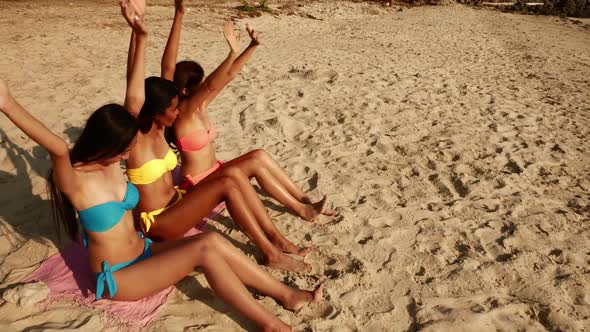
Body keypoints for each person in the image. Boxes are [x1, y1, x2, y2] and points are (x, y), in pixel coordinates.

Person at [0, 5, 322, 332]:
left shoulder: (114, 167)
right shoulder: (76, 180)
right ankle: (270, 324)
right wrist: (7, 103)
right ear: (108, 143)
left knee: (212, 244)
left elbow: (134, 91)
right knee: (204, 250)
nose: (129, 153)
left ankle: (287, 295)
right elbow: (54, 144)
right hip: (120, 276)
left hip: (147, 250)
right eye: (125, 147)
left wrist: (140, 35)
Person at [123, 0, 311, 272]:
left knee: (233, 176)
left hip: (178, 204)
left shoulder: (161, 129)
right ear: (156, 110)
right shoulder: (137, 140)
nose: (177, 114)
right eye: (173, 109)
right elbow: (133, 85)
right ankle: (271, 252)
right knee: (229, 183)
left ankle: (277, 240)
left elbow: (167, 69)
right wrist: (138, 35)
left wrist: (179, 14)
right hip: (159, 222)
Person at [162, 0, 336, 222]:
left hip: (216, 172)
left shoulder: (200, 106)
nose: (204, 86)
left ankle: (304, 199)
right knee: (255, 162)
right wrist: (231, 52)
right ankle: (302, 210)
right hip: (198, 185)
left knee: (260, 155)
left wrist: (251, 47)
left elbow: (228, 75)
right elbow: (209, 85)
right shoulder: (183, 112)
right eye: (200, 84)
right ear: (186, 90)